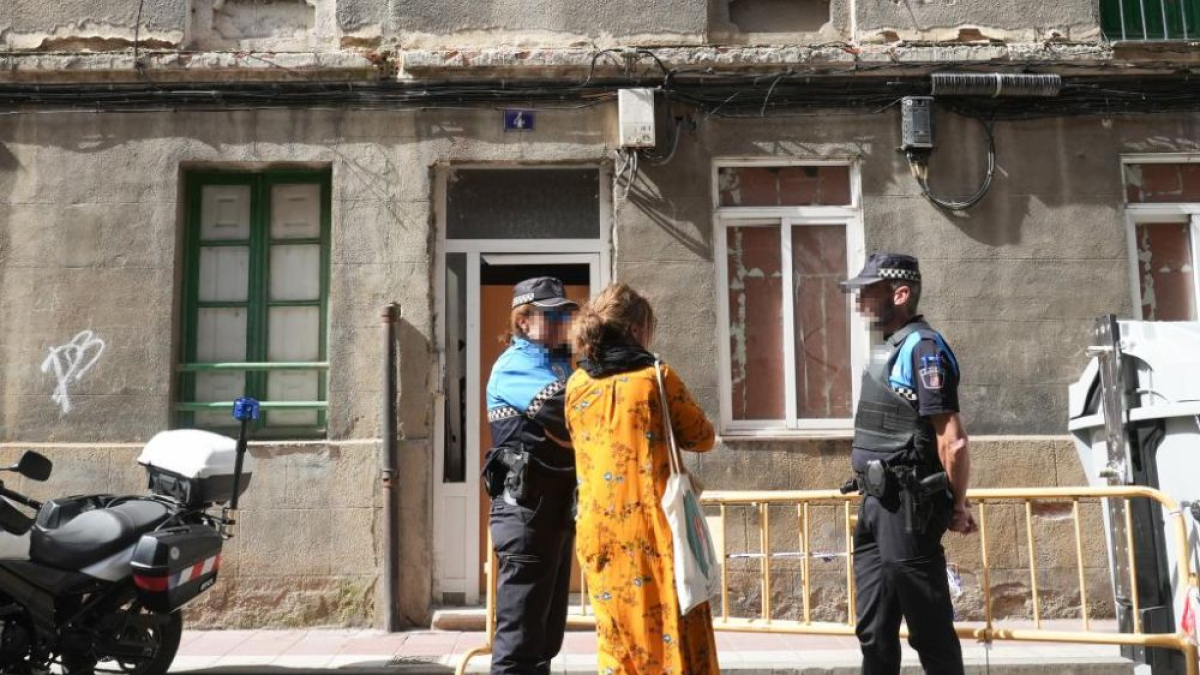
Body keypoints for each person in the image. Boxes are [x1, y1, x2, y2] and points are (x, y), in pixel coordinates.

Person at [565, 283, 719, 675]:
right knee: (670, 632)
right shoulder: (655, 377)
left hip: (598, 530)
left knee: (617, 641)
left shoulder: (577, 385)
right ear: (636, 330)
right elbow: (702, 437)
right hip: (654, 529)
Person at [840, 253, 976, 675]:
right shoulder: (891, 349)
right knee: (875, 632)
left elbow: (952, 441)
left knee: (929, 630)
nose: (860, 301)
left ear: (900, 294)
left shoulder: (924, 348)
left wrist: (957, 506)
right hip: (877, 504)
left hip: (908, 507)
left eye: (869, 292)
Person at [482, 276, 579, 675]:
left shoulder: (559, 364)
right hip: (524, 514)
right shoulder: (516, 366)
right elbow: (572, 414)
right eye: (551, 315)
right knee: (519, 647)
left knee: (544, 642)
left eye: (564, 314)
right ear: (524, 322)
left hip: (553, 513)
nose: (562, 322)